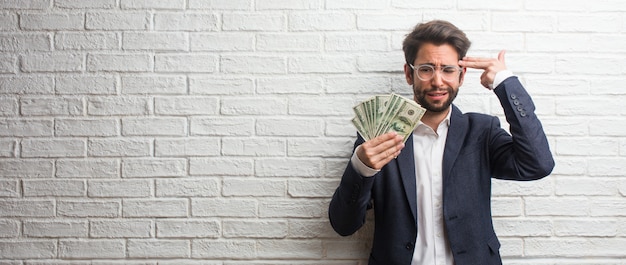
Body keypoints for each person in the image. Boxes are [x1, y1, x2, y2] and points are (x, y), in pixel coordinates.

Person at [328, 20, 555, 265]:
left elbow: (537, 164)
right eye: (426, 69)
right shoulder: (377, 138)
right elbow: (344, 224)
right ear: (409, 73)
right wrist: (361, 168)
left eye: (448, 69)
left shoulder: (482, 132)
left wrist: (504, 83)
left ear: (461, 75)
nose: (438, 81)